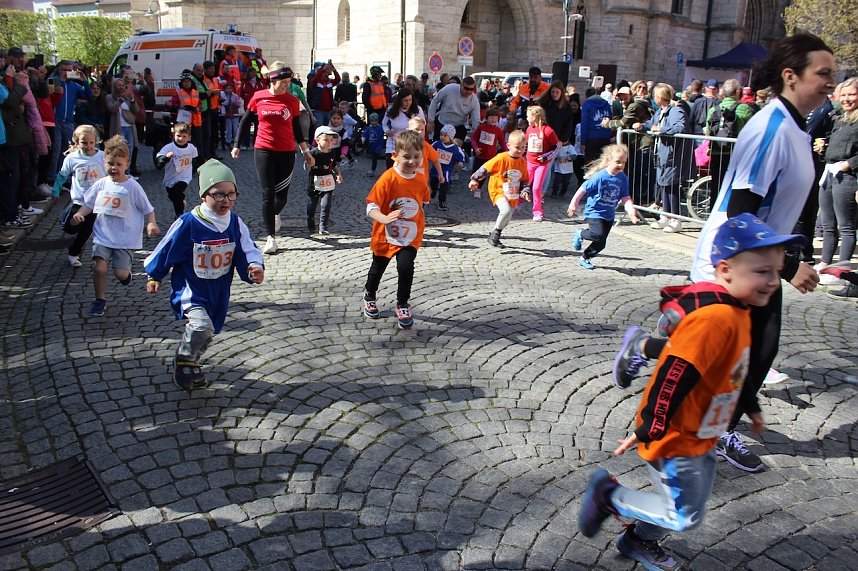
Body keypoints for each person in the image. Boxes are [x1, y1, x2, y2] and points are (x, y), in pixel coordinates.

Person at [612, 33, 834, 473]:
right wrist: (787, 267)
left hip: (759, 262)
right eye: (823, 73)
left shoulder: (794, 126)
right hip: (733, 260)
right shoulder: (771, 127)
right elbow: (741, 209)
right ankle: (711, 432)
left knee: (742, 351)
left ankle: (647, 351)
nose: (832, 82)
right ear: (791, 76)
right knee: (737, 352)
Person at [579, 213, 807, 570]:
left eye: (777, 272)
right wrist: (650, 428)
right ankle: (609, 495)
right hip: (674, 436)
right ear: (726, 270)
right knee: (685, 516)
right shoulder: (716, 319)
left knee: (686, 503)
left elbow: (736, 370)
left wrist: (751, 406)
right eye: (762, 271)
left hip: (703, 433)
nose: (773, 281)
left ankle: (637, 540)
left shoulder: (741, 312)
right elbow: (674, 375)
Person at [144, 159, 264, 390]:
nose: (225, 200)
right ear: (204, 195)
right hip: (191, 287)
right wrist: (155, 275)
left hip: (218, 289)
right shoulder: (189, 223)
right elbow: (166, 249)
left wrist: (254, 268)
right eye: (218, 194)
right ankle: (184, 359)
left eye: (231, 194)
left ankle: (193, 361)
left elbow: (248, 250)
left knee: (209, 330)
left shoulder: (235, 223)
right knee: (201, 326)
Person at [70, 135, 159, 317]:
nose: (114, 168)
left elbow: (148, 209)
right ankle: (99, 299)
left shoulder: (132, 187)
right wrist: (79, 214)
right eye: (110, 163)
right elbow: (89, 203)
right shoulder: (101, 184)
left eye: (118, 164)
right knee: (99, 268)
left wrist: (151, 223)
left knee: (120, 274)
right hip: (103, 236)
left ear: (126, 164)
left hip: (124, 239)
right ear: (104, 163)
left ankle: (126, 275)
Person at [232, 62, 314, 255]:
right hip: (263, 150)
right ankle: (271, 238)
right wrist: (236, 145)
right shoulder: (259, 97)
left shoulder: (292, 101)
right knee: (267, 193)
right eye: (284, 82)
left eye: (288, 81)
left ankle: (276, 213)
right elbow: (245, 121)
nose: (287, 85)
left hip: (286, 151)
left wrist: (305, 150)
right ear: (273, 80)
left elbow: (296, 128)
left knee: (282, 197)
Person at [362, 130, 429, 330]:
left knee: (406, 268)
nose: (412, 161)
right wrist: (384, 218)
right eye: (406, 157)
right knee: (377, 268)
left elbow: (422, 201)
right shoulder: (388, 178)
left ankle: (402, 304)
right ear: (395, 156)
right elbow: (371, 206)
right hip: (386, 234)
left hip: (409, 236)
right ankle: (369, 295)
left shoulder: (420, 178)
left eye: (416, 156)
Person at [815, 76, 858, 295]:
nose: (847, 99)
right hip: (829, 174)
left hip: (847, 178)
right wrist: (824, 148)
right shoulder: (840, 118)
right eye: (844, 95)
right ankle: (825, 263)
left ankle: (843, 270)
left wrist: (849, 164)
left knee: (846, 226)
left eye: (852, 94)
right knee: (828, 224)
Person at [568, 144, 640, 269]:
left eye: (624, 162)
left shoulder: (623, 178)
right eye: (618, 162)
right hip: (594, 212)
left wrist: (631, 211)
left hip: (608, 214)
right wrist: (573, 205)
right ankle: (580, 233)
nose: (621, 165)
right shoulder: (600, 176)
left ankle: (584, 258)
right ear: (608, 160)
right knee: (598, 234)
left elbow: (625, 197)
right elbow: (582, 189)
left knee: (601, 243)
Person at [53, 125, 106, 267]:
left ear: (96, 141)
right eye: (84, 142)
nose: (88, 146)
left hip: (96, 202)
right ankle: (65, 219)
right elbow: (62, 175)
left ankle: (73, 254)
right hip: (79, 200)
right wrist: (56, 190)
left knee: (86, 230)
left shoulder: (102, 156)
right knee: (71, 227)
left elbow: (110, 174)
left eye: (91, 142)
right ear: (77, 141)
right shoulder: (72, 158)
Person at [468, 130, 530, 248]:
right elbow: (485, 168)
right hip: (498, 190)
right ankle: (496, 234)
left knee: (508, 217)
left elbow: (524, 179)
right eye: (517, 147)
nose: (520, 150)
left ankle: (495, 234)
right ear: (508, 145)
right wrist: (475, 179)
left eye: (523, 147)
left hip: (513, 193)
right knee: (505, 211)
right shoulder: (501, 158)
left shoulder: (522, 161)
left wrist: (525, 191)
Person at [647, 83, 693, 233]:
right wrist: (641, 126)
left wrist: (662, 129)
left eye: (655, 95)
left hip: (673, 155)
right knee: (664, 185)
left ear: (660, 97)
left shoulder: (676, 111)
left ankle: (675, 219)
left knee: (671, 186)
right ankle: (665, 216)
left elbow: (680, 127)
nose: (654, 98)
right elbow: (651, 124)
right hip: (662, 154)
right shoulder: (660, 111)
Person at [704, 79, 755, 206]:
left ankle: (713, 214)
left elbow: (707, 131)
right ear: (738, 92)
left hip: (716, 152)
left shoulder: (714, 108)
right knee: (734, 187)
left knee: (716, 186)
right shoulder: (744, 109)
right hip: (736, 153)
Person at [524, 106, 561, 221]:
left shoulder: (548, 130)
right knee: (525, 184)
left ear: (535, 117)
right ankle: (518, 202)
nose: (526, 118)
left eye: (528, 116)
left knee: (536, 188)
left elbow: (557, 146)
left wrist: (546, 157)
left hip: (542, 164)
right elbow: (526, 145)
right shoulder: (529, 129)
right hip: (529, 162)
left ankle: (537, 211)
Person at [155, 122, 199, 219]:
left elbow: (197, 160)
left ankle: (179, 215)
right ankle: (181, 201)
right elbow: (159, 161)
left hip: (184, 176)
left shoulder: (192, 148)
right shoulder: (169, 147)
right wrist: (166, 158)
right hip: (171, 177)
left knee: (176, 192)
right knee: (172, 195)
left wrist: (195, 170)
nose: (181, 139)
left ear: (189, 137)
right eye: (178, 136)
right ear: (173, 135)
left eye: (184, 136)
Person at [306, 125, 343, 235]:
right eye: (326, 140)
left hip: (328, 184)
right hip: (314, 184)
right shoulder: (313, 153)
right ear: (317, 140)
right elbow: (306, 166)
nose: (329, 143)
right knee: (312, 205)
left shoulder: (332, 153)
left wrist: (338, 174)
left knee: (326, 204)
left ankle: (323, 227)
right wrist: (308, 163)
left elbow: (334, 165)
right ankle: (310, 220)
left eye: (331, 140)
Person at [427, 76, 481, 142]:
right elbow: (435, 101)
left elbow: (476, 119)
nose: (468, 91)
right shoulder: (449, 88)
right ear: (461, 85)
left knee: (455, 147)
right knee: (438, 147)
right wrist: (431, 121)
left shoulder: (474, 99)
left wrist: (475, 133)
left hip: (459, 127)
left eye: (471, 89)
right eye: (466, 88)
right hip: (443, 123)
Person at [469, 108, 507, 198]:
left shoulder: (498, 130)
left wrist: (508, 152)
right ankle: (474, 183)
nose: (493, 120)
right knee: (475, 171)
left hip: (490, 157)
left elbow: (502, 142)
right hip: (479, 155)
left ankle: (478, 189)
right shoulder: (481, 127)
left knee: (484, 173)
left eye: (495, 118)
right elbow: (473, 138)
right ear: (487, 118)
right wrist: (476, 148)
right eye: (491, 118)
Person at [382, 87, 425, 169]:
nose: (408, 103)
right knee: (391, 168)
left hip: (410, 144)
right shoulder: (391, 110)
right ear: (400, 100)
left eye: (410, 100)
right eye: (405, 100)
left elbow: (423, 126)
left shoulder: (418, 110)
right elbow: (384, 124)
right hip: (393, 143)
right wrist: (387, 131)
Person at [429, 124, 466, 211]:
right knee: (433, 183)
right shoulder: (437, 144)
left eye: (445, 135)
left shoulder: (455, 148)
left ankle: (442, 202)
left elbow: (461, 157)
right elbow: (429, 150)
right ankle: (433, 191)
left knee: (443, 188)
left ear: (451, 137)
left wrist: (460, 162)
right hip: (435, 170)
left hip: (446, 171)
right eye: (441, 135)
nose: (442, 137)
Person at [580, 87, 612, 163]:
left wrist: (582, 142)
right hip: (605, 137)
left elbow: (584, 123)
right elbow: (610, 118)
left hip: (591, 138)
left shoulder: (587, 104)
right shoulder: (606, 104)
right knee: (604, 163)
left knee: (590, 164)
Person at [308, 61, 340, 126]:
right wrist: (323, 69)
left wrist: (334, 70)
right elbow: (316, 77)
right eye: (324, 73)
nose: (325, 74)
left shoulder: (330, 82)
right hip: (318, 110)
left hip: (329, 110)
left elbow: (338, 79)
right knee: (319, 129)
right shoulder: (315, 82)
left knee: (328, 128)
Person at [220, 83, 243, 150]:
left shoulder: (235, 96)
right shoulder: (223, 95)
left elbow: (238, 104)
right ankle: (228, 141)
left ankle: (236, 141)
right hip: (227, 114)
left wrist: (234, 104)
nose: (229, 90)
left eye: (230, 88)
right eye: (227, 88)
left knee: (236, 128)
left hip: (235, 114)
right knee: (228, 128)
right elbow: (222, 103)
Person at [363, 112, 385, 177]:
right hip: (372, 146)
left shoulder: (381, 127)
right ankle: (373, 170)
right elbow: (365, 134)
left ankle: (373, 170)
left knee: (375, 158)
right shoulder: (369, 128)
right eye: (372, 121)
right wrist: (363, 138)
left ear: (377, 121)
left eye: (375, 121)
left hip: (378, 145)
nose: (374, 122)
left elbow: (386, 130)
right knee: (374, 158)